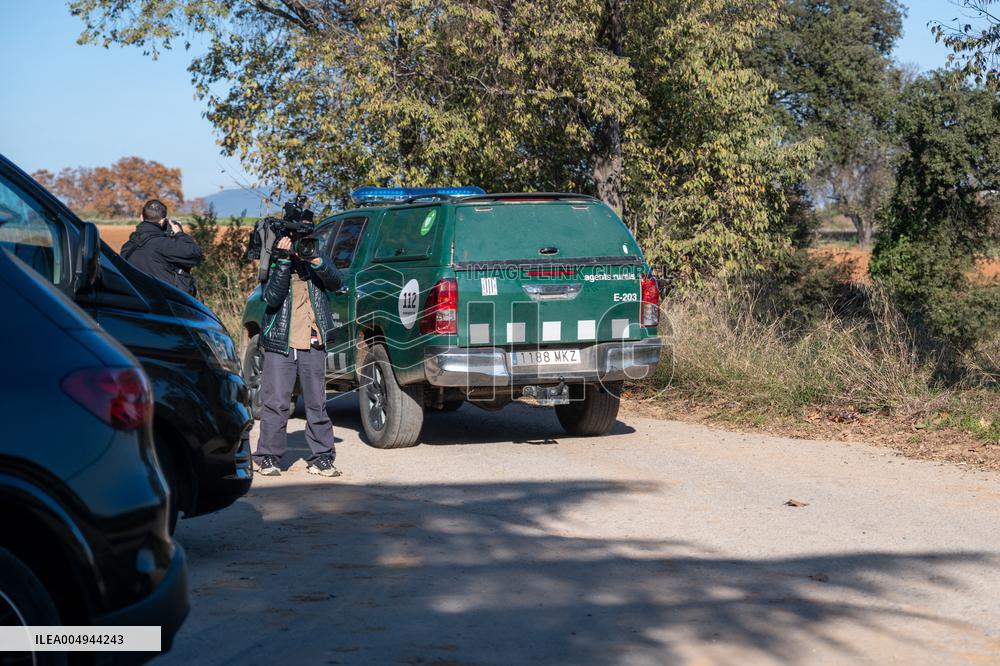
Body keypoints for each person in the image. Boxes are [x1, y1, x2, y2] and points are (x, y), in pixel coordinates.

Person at [253, 236, 344, 477]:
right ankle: (268, 457)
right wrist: (283, 261)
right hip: (281, 341)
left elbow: (337, 282)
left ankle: (322, 457)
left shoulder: (315, 256)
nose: (299, 248)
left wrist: (316, 261)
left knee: (317, 404)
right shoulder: (275, 260)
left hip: (313, 340)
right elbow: (271, 297)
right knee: (276, 402)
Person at [121, 199, 202, 296]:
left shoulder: (127, 247)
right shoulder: (164, 245)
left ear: (141, 217)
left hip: (137, 300)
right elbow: (194, 254)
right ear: (163, 221)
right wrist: (179, 234)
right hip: (166, 302)